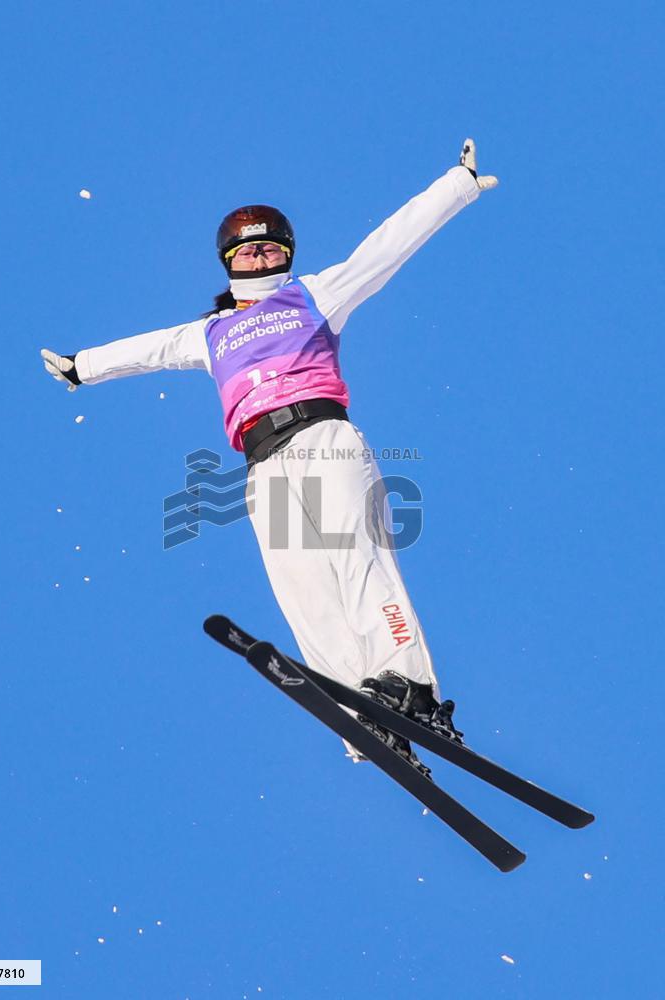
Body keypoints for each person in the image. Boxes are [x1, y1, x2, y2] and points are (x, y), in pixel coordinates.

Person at [41, 139, 498, 770]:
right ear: (230, 260)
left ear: (286, 255)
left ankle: (409, 687)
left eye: (272, 247)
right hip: (263, 464)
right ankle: (364, 709)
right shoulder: (208, 332)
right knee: (301, 584)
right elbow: (146, 350)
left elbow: (385, 248)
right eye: (249, 249)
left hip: (322, 438)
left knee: (355, 557)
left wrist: (457, 185)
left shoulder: (314, 295)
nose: (261, 256)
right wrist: (82, 368)